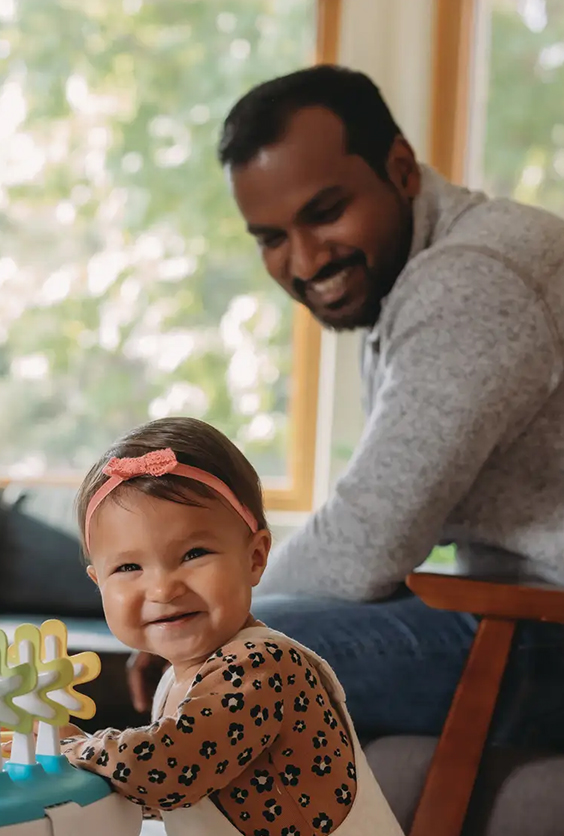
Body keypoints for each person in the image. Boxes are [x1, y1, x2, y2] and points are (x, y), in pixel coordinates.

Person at [127, 64, 564, 748]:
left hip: (544, 633)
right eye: (271, 238)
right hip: (526, 617)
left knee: (237, 662)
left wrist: (204, 620)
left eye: (325, 212)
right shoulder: (422, 275)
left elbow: (367, 543)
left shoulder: (474, 281)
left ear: (401, 169)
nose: (303, 261)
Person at [58, 416, 437, 836]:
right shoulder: (180, 681)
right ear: (99, 585)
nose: (162, 588)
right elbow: (183, 795)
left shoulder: (262, 667)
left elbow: (168, 770)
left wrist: (73, 748)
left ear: (255, 558)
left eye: (193, 554)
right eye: (129, 567)